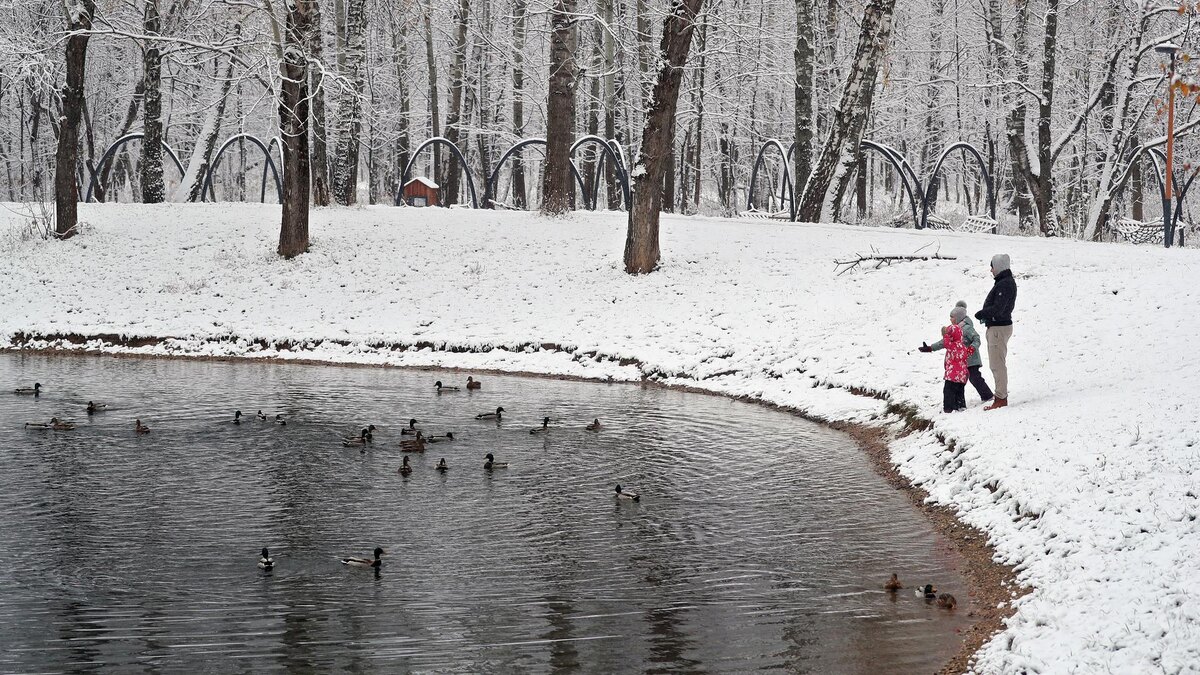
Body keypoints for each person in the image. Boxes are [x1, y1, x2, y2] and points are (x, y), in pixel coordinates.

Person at [920, 301, 993, 404]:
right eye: (950, 317)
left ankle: (988, 396)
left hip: (972, 360)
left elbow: (977, 338)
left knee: (975, 378)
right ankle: (959, 403)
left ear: (958, 317)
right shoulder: (954, 329)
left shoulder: (966, 328)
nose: (950, 319)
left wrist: (971, 348)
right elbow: (944, 342)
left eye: (952, 317)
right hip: (960, 361)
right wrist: (930, 348)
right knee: (959, 382)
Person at [975, 254, 1017, 410]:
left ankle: (1000, 398)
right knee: (997, 363)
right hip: (998, 327)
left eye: (992, 266)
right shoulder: (1004, 282)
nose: (991, 269)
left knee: (997, 364)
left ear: (999, 266)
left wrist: (982, 313)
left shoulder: (1005, 284)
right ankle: (1000, 395)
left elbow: (999, 308)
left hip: (998, 328)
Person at [938, 323, 974, 413]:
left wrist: (945, 335)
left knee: (948, 391)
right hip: (962, 375)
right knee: (960, 391)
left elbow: (945, 343)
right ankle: (961, 405)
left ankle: (949, 408)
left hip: (952, 375)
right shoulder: (962, 346)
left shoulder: (951, 345)